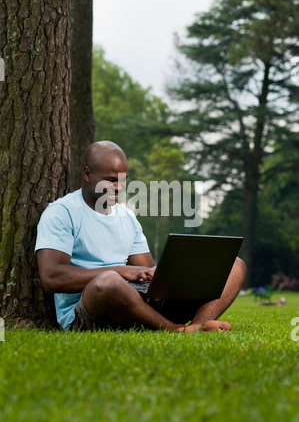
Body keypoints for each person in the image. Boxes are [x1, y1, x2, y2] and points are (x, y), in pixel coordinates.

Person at [35, 141, 246, 333]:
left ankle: (198, 326)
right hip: (90, 310)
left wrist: (178, 272)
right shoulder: (62, 212)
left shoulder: (126, 217)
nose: (118, 187)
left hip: (135, 304)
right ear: (87, 174)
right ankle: (176, 331)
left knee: (235, 266)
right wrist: (120, 271)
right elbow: (52, 278)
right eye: (110, 180)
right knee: (109, 281)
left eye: (123, 180)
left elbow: (148, 273)